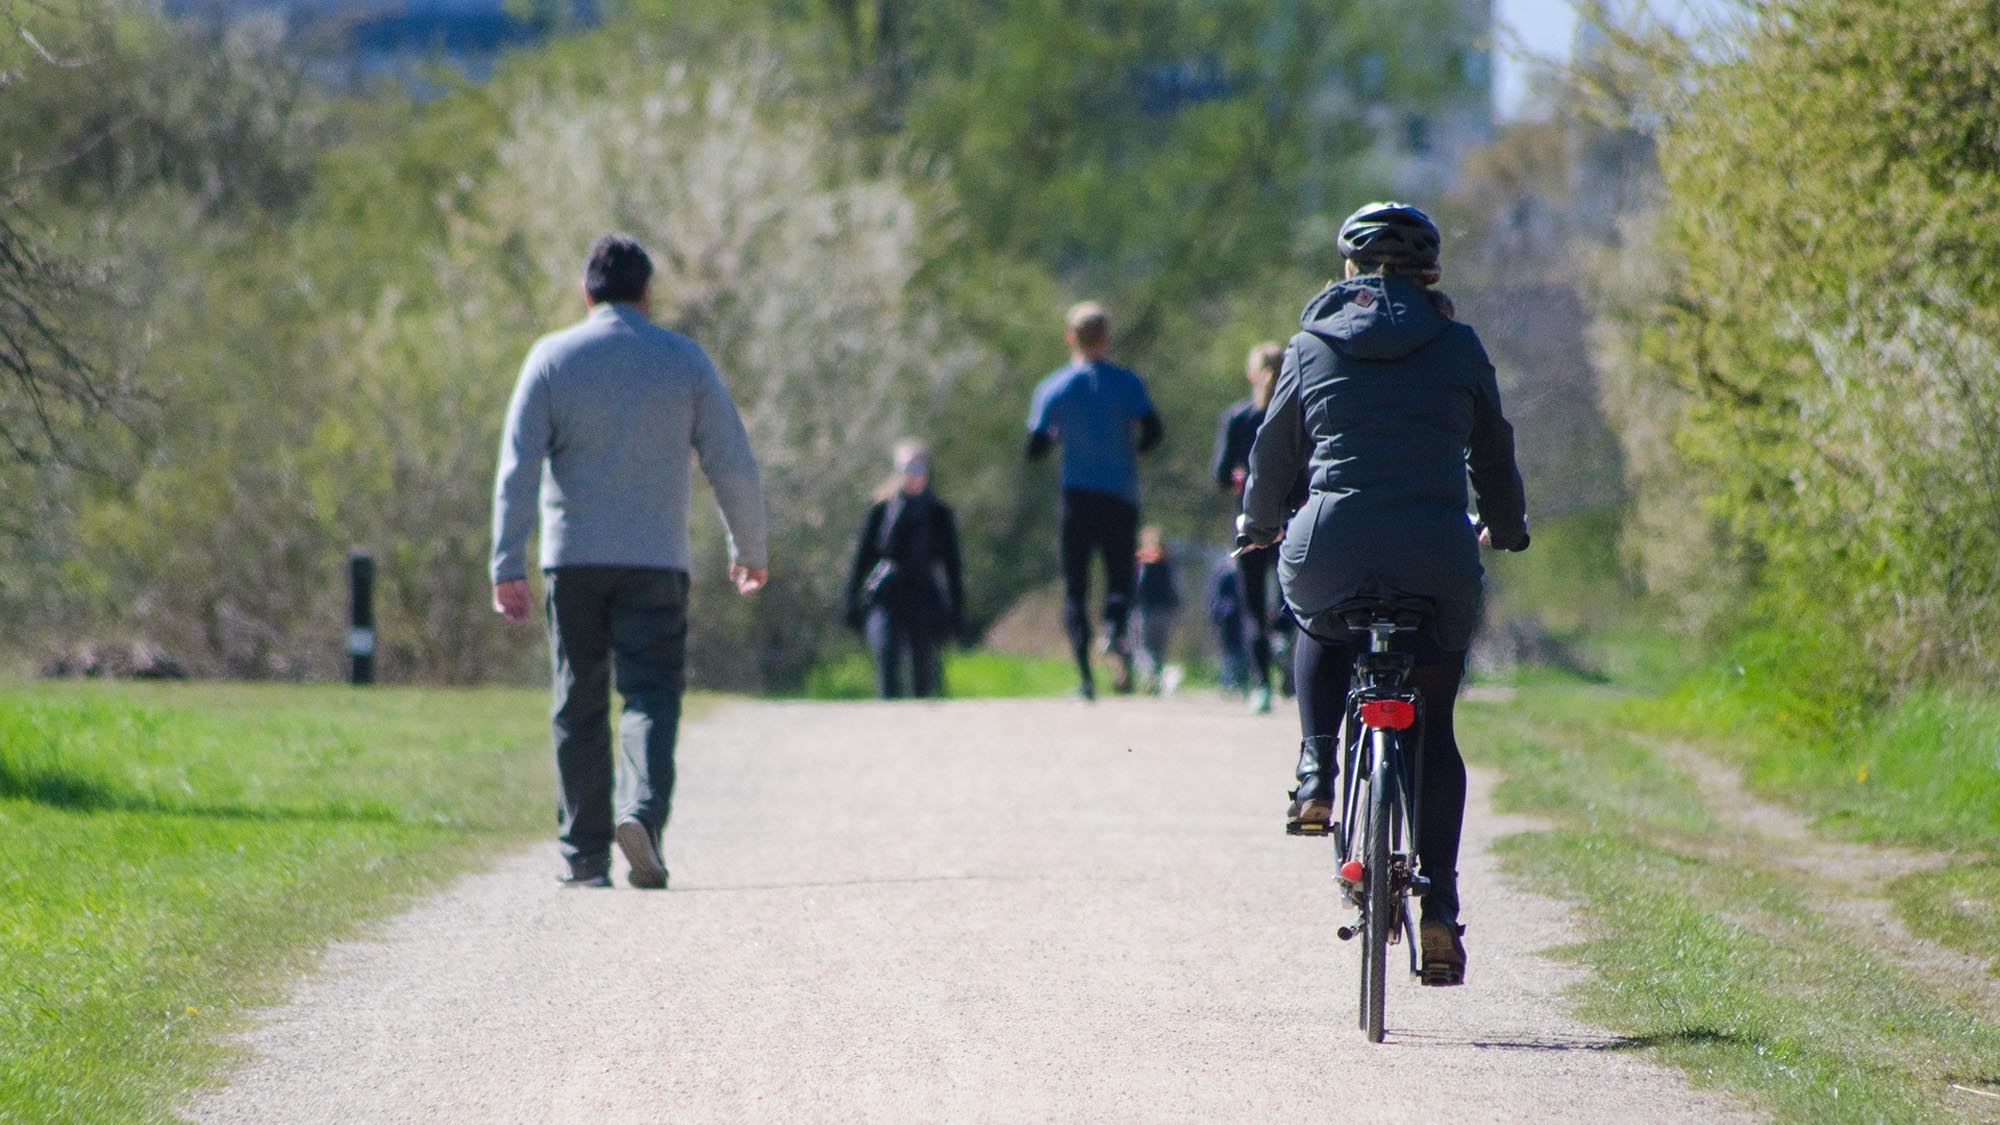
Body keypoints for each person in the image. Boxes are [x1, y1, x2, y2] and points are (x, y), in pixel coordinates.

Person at [1238, 202, 1529, 986]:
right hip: (1436, 555)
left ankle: (1315, 770)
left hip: (1332, 546)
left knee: (1318, 621)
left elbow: (1271, 456)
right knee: (1436, 724)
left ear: (1349, 270)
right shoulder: (1459, 345)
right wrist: (1507, 526)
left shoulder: (1308, 345)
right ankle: (1439, 905)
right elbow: (1493, 455)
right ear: (1431, 273)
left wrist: (1257, 525)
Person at [491, 234, 769, 890]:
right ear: (647, 295)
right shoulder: (685, 361)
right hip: (655, 560)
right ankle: (640, 813)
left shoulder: (551, 357)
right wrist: (750, 548)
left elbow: (517, 467)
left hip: (573, 559)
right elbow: (732, 458)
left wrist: (507, 561)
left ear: (586, 293)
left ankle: (585, 856)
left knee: (577, 699)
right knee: (649, 692)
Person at [1025, 301, 1163, 700]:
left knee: (1076, 587)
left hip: (1076, 498)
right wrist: (1132, 449)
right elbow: (1154, 431)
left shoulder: (1054, 387)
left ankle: (1085, 679)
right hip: (1120, 494)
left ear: (1070, 337)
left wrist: (1057, 435)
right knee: (1120, 577)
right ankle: (1114, 627)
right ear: (1106, 338)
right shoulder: (1128, 383)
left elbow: (1034, 447)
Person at [843, 440, 966, 699]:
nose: (912, 475)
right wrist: (850, 601)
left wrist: (957, 610)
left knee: (923, 669)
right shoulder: (880, 510)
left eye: (917, 468)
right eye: (906, 468)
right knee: (886, 655)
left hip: (923, 595)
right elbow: (862, 558)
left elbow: (952, 566)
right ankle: (888, 723)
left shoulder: (938, 514)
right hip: (887, 594)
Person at [1211, 341, 1290, 713]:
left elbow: (1221, 475)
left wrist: (1241, 479)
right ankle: (1285, 639)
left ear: (1250, 373)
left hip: (1249, 523)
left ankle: (1261, 686)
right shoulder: (1297, 414)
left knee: (1253, 607)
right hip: (1292, 521)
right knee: (1293, 596)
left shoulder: (1238, 417)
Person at [1131, 525, 1180, 694]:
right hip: (1164, 611)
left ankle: (1151, 676)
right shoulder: (1167, 560)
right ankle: (1156, 680)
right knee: (1159, 648)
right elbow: (1174, 587)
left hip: (1146, 610)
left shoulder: (1141, 560)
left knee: (1142, 647)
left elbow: (1137, 585)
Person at [1206, 558, 1249, 696]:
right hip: (1228, 622)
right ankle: (1230, 683)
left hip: (1239, 622)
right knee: (1230, 653)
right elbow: (1215, 601)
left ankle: (1237, 683)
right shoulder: (1226, 575)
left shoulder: (1238, 575)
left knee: (1236, 653)